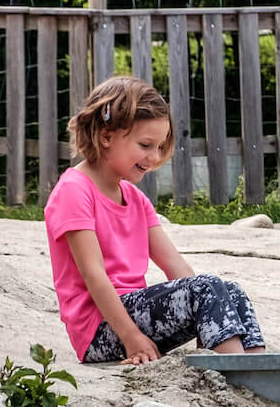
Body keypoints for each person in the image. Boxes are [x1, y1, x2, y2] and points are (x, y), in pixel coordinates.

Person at [44, 75, 265, 365]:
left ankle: (265, 370)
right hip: (101, 331)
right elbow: (94, 274)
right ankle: (243, 374)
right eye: (146, 145)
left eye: (160, 147)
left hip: (134, 317)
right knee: (206, 288)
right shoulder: (74, 190)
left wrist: (207, 313)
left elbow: (176, 266)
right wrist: (131, 338)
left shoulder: (135, 199)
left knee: (229, 290)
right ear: (106, 136)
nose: (154, 157)